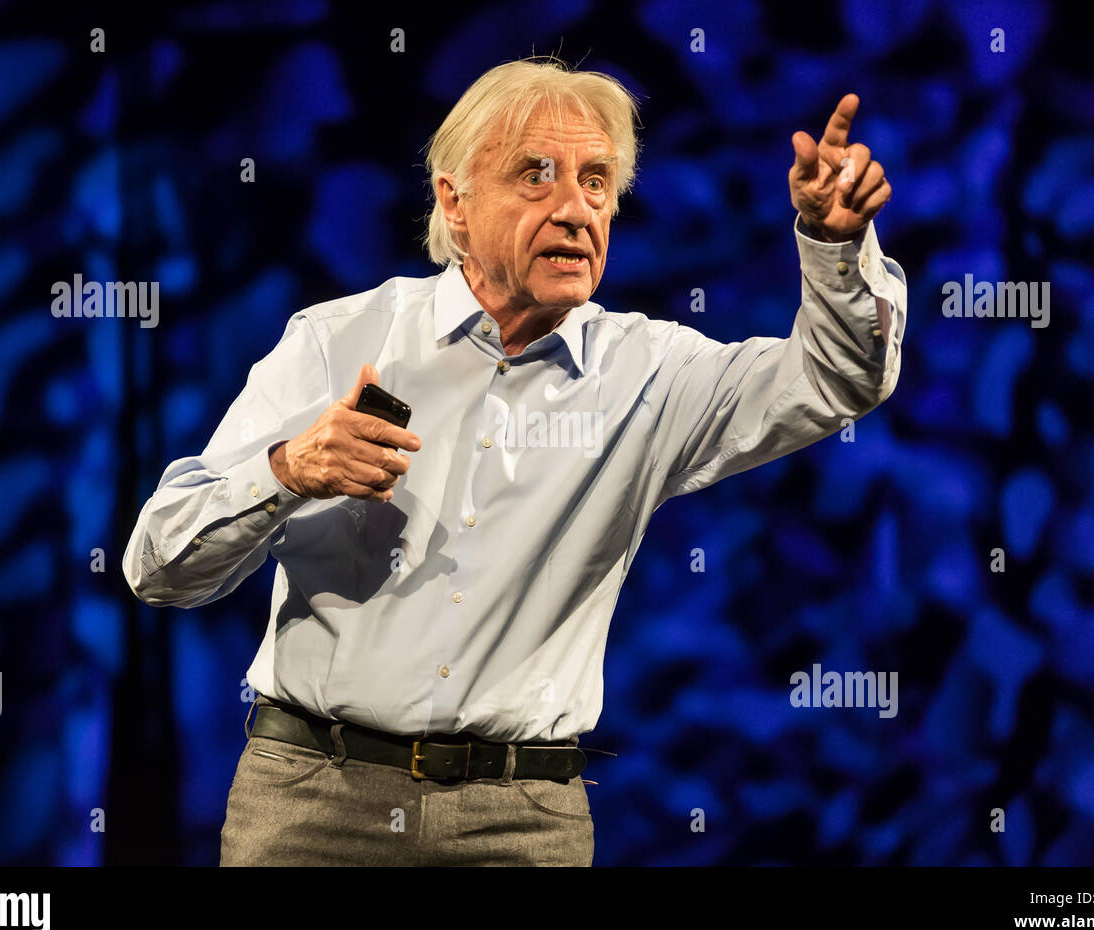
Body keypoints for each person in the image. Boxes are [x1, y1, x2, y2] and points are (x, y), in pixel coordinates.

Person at [122, 55, 905, 866]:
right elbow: (159, 566)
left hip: (521, 826)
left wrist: (835, 246)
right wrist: (288, 469)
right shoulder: (336, 342)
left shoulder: (650, 374)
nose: (576, 209)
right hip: (315, 806)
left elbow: (837, 377)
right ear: (454, 203)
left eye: (597, 181)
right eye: (537, 176)